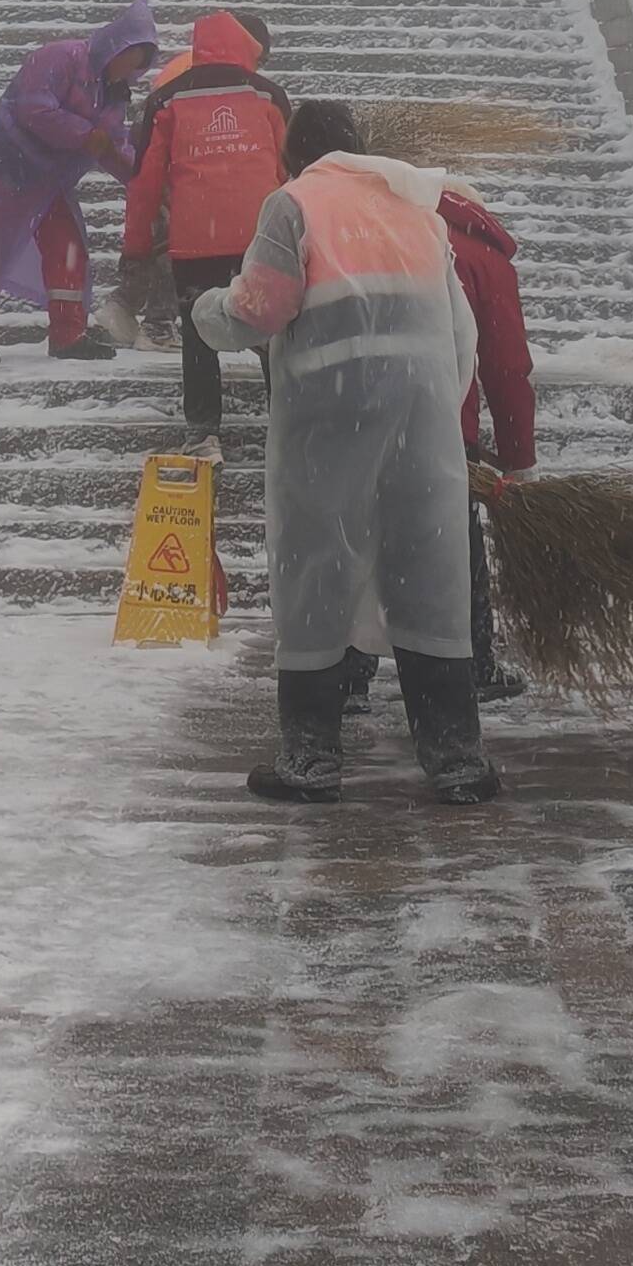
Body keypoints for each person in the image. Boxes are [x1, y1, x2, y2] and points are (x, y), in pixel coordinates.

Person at [190, 100, 502, 806]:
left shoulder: (294, 203)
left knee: (316, 571)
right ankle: (457, 759)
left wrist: (206, 312)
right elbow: (462, 333)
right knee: (428, 574)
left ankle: (311, 759)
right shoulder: (416, 208)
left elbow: (260, 309)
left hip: (329, 419)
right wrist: (435, 415)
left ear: (294, 156)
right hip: (421, 419)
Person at [340, 181, 539, 709]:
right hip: (443, 425)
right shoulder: (481, 255)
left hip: (360, 416)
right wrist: (517, 457)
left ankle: (346, 674)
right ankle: (471, 664)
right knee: (455, 549)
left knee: (359, 541)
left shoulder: (376, 233)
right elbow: (506, 366)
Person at [0, 0, 157, 365]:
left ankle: (68, 334)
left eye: (137, 65)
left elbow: (111, 145)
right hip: (5, 168)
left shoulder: (113, 92)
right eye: (128, 59)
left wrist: (144, 180)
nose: (128, 70)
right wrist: (85, 134)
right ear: (114, 46)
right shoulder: (61, 57)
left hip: (48, 182)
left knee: (68, 249)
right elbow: (34, 108)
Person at [121, 8, 290, 443]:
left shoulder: (167, 99)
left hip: (195, 242)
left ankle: (202, 430)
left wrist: (136, 247)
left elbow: (145, 184)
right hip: (261, 239)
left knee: (198, 333)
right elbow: (290, 172)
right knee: (273, 330)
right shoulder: (269, 95)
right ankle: (285, 426)